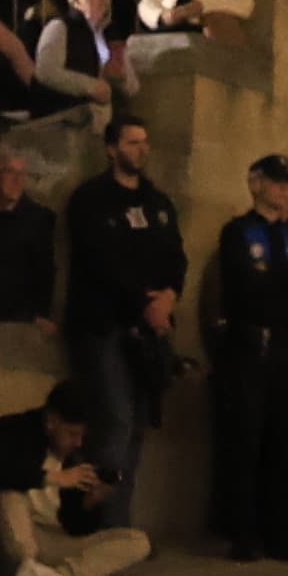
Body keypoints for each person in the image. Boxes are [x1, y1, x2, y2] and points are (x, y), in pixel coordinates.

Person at [62, 117, 184, 530]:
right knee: (113, 423)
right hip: (104, 326)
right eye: (132, 142)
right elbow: (101, 261)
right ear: (112, 148)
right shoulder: (91, 199)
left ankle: (120, 527)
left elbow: (175, 258)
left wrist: (169, 297)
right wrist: (142, 303)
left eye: (145, 142)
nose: (141, 149)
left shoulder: (159, 203)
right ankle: (101, 529)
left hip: (146, 334)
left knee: (135, 431)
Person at [210, 154, 288, 562]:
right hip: (252, 345)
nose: (284, 191)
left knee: (285, 441)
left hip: (286, 347)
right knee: (246, 439)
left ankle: (280, 531)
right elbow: (243, 288)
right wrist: (282, 281)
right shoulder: (238, 231)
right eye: (276, 183)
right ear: (256, 185)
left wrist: (277, 280)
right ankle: (244, 531)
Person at [0, 385, 152, 576]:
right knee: (8, 496)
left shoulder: (77, 455)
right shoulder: (16, 432)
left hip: (54, 541)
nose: (78, 442)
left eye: (82, 435)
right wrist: (53, 478)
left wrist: (90, 502)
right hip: (18, 538)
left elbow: (75, 526)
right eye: (72, 433)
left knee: (138, 541)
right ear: (52, 421)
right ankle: (26, 567)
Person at [0, 145, 61, 377]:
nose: (18, 180)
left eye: (22, 174)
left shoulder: (38, 219)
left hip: (20, 322)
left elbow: (44, 269)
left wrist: (40, 313)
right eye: (10, 172)